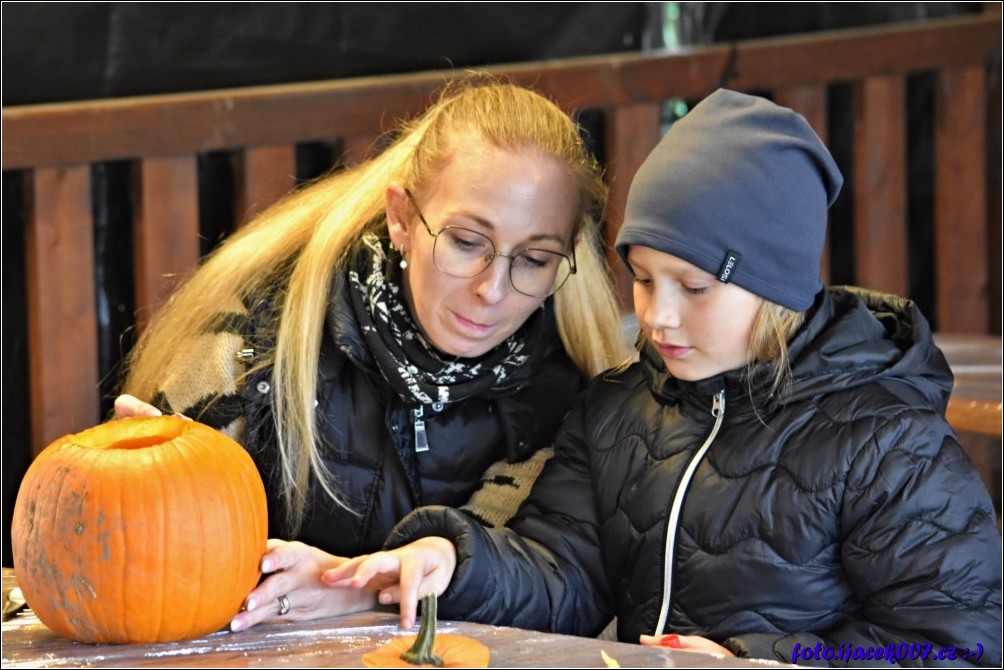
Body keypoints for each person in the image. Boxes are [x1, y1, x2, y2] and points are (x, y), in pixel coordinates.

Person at [325, 89, 1003, 666]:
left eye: (695, 288)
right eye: (643, 280)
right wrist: (456, 559)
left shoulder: (886, 442)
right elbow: (565, 573)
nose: (657, 316)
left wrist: (760, 658)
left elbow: (959, 644)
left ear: (776, 290)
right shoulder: (621, 411)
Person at [113, 75, 628, 630]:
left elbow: (546, 587)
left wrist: (357, 590)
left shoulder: (568, 389)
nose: (493, 289)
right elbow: (161, 569)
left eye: (533, 259)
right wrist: (146, 480)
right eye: (466, 242)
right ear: (401, 217)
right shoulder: (258, 338)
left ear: (568, 255)